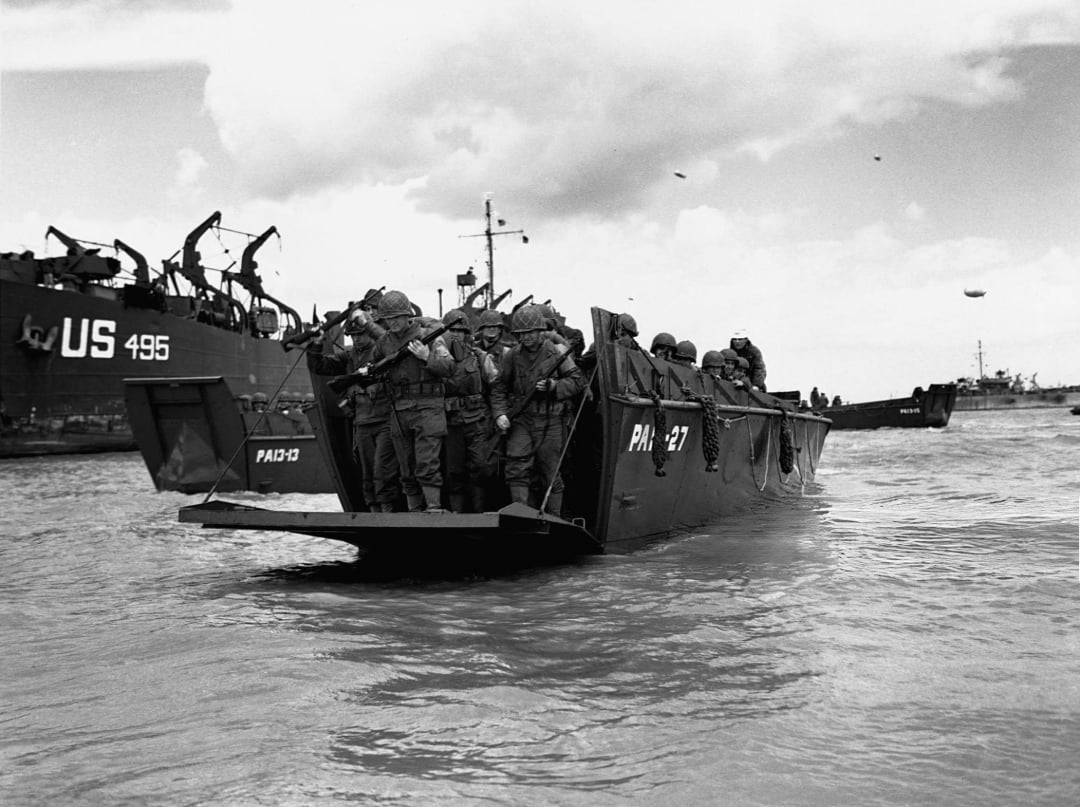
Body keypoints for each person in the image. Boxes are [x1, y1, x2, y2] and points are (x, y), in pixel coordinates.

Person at [490, 304, 586, 515]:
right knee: (516, 466)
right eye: (521, 334)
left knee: (550, 472)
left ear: (540, 331)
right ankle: (521, 515)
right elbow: (498, 387)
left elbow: (578, 382)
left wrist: (554, 387)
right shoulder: (512, 356)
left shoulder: (557, 352)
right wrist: (500, 414)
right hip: (522, 419)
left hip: (550, 420)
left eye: (530, 332)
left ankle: (554, 518)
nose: (526, 338)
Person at [307, 308, 399, 512]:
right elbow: (320, 366)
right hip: (362, 422)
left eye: (361, 334)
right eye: (353, 335)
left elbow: (393, 348)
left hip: (385, 420)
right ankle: (375, 513)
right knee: (367, 472)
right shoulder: (349, 357)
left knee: (383, 470)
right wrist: (315, 344)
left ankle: (388, 513)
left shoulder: (383, 350)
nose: (357, 339)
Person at [370, 290, 454, 513]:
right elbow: (371, 372)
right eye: (388, 318)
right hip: (399, 409)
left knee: (427, 461)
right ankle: (414, 511)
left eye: (397, 317)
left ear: (408, 315)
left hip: (428, 406)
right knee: (406, 465)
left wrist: (426, 357)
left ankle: (434, 508)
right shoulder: (383, 343)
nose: (393, 322)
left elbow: (448, 368)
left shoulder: (430, 336)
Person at [442, 309, 499, 512]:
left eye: (460, 330)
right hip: (451, 423)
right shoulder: (436, 359)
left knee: (482, 467)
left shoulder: (480, 357)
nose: (455, 334)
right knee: (453, 471)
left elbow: (497, 388)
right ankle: (457, 514)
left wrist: (497, 416)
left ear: (467, 333)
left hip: (477, 421)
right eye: (451, 330)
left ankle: (480, 512)